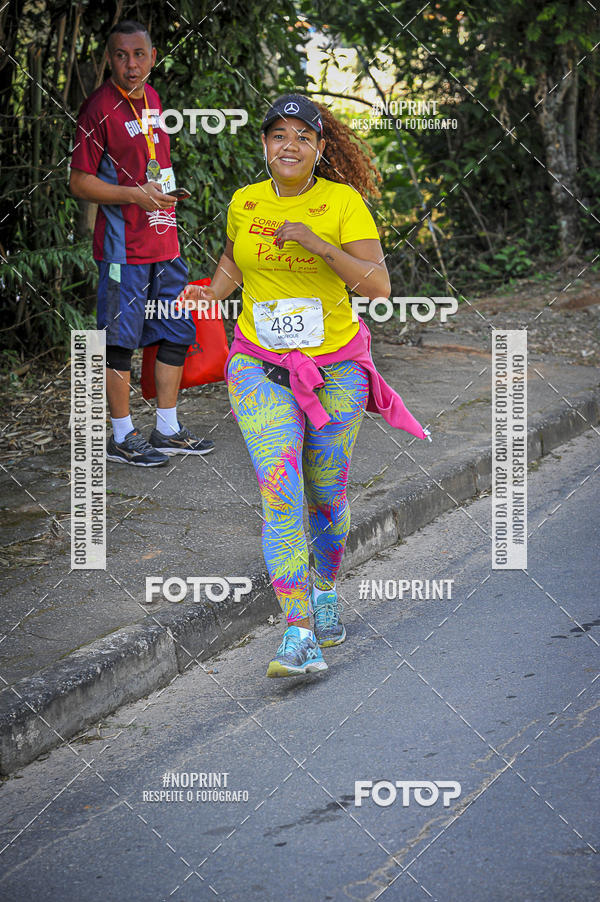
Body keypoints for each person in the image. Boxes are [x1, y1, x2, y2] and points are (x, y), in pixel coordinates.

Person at [186, 94, 430, 678]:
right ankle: (298, 633)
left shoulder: (342, 203)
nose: (288, 144)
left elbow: (378, 288)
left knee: (325, 495)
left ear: (320, 148)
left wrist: (320, 245)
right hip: (258, 363)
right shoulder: (245, 202)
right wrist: (209, 295)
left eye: (301, 135)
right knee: (279, 491)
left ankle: (325, 591)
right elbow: (233, 266)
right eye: (277, 135)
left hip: (337, 370)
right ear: (264, 146)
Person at [69, 19, 214, 467]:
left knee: (175, 331)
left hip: (163, 240)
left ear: (153, 57)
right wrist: (133, 195)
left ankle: (167, 429)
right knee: (119, 340)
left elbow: (153, 166)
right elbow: (79, 182)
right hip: (122, 250)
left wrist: (163, 196)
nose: (131, 65)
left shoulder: (152, 99)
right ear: (108, 59)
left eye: (139, 55)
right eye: (121, 55)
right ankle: (121, 435)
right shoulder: (98, 109)